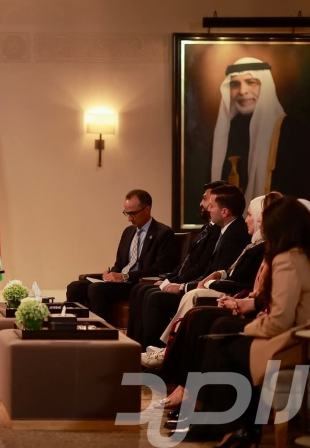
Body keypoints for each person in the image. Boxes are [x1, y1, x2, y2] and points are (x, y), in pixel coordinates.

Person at [176, 196, 310, 446]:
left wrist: (249, 328)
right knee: (220, 329)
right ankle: (228, 422)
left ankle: (226, 424)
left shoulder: (287, 259)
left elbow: (279, 321)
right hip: (297, 336)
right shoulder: (302, 255)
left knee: (225, 341)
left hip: (293, 342)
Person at [133, 183, 252, 351]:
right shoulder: (224, 230)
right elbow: (206, 268)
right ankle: (139, 347)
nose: (208, 209)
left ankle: (157, 350)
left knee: (155, 297)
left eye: (211, 206)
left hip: (218, 292)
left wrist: (183, 286)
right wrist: (173, 281)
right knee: (145, 290)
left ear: (224, 212)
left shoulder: (235, 234)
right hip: (205, 285)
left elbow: (216, 272)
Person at [211, 56, 310, 203]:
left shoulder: (292, 131)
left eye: (251, 82)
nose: (242, 91)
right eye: (235, 84)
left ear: (266, 87)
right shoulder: (226, 133)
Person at [66, 189, 176, 321]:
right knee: (74, 287)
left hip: (137, 284)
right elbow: (120, 263)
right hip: (120, 283)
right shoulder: (128, 232)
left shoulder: (163, 233)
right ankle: (74, 329)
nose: (129, 219)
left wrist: (125, 276)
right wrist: (110, 273)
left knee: (96, 289)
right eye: (126, 213)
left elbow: (159, 269)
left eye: (133, 213)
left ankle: (102, 331)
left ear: (147, 210)